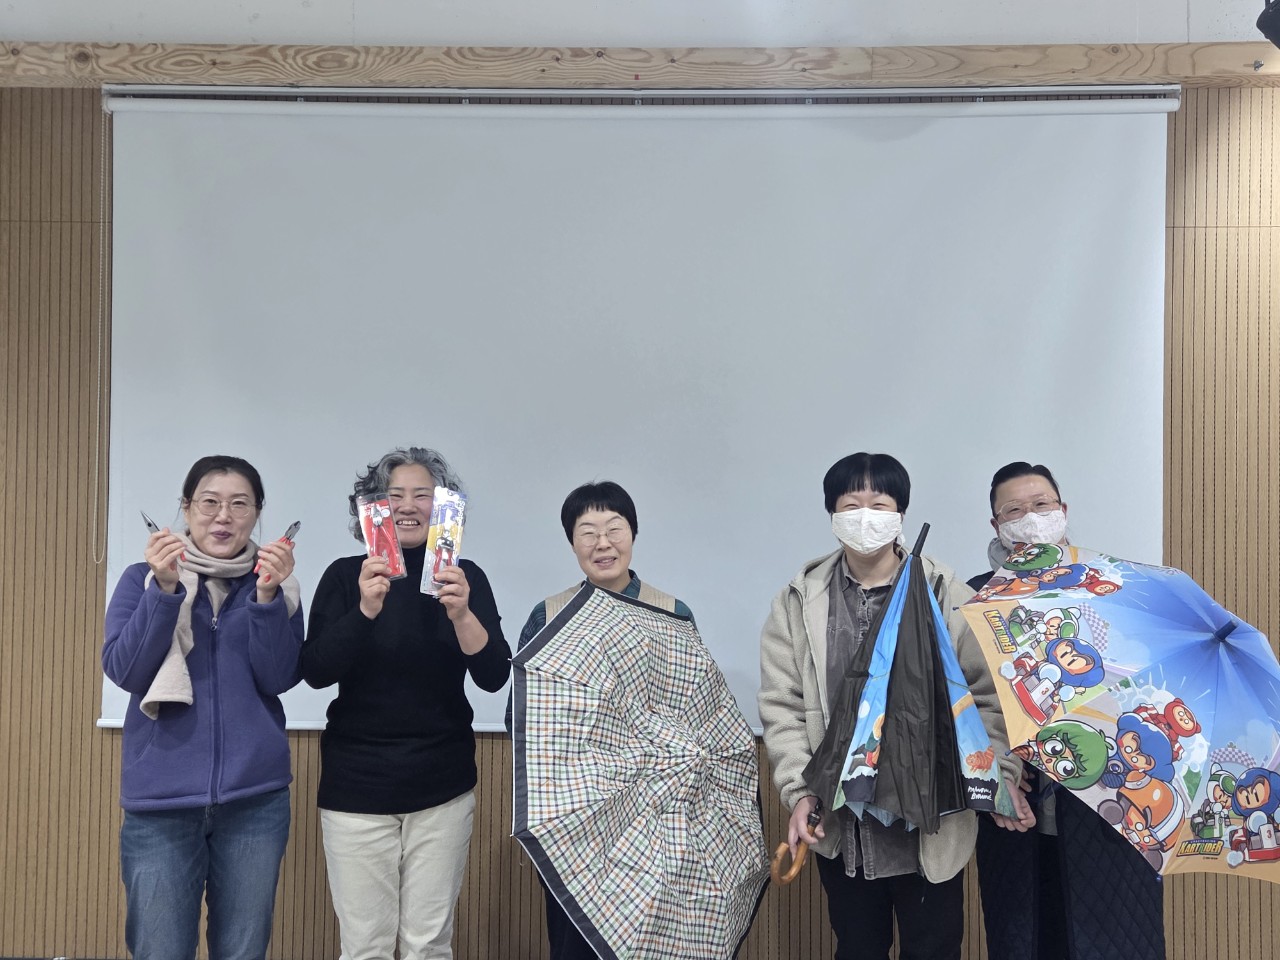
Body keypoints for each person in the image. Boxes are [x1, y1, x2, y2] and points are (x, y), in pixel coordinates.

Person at [758, 452, 1025, 960]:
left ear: (900, 513)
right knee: (858, 946)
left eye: (879, 505)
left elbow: (988, 695)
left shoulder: (945, 591)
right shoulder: (799, 600)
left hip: (933, 824)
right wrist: (799, 791)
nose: (865, 516)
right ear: (832, 513)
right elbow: (782, 706)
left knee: (935, 948)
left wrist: (1000, 773)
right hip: (843, 827)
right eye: (851, 505)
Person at [302, 447, 510, 960]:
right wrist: (365, 610)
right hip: (357, 787)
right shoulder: (345, 576)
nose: (408, 506)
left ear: (443, 508)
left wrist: (462, 614)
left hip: (442, 786)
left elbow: (493, 677)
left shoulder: (464, 577)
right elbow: (316, 671)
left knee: (428, 944)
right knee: (366, 946)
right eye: (395, 495)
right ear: (373, 507)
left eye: (423, 495)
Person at [102, 455, 303, 960]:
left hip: (254, 802)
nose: (223, 517)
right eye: (209, 502)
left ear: (257, 513)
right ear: (186, 508)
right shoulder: (141, 580)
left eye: (240, 504)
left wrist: (266, 597)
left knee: (243, 952)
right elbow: (126, 671)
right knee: (160, 951)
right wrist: (165, 590)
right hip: (161, 805)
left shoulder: (275, 586)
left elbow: (279, 676)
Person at [971, 461, 1164, 960]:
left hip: (1110, 815)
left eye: (1041, 505)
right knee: (1029, 938)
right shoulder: (974, 600)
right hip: (1017, 813)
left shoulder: (1110, 589)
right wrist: (996, 776)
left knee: (1114, 942)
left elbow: (1148, 691)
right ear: (996, 524)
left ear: (1063, 510)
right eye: (1014, 511)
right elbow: (961, 704)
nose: (1030, 518)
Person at [511, 481, 692, 960]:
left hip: (653, 815)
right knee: (575, 940)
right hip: (575, 815)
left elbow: (693, 713)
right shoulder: (549, 615)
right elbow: (521, 720)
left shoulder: (672, 613)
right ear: (572, 542)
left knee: (652, 940)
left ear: (633, 534)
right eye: (587, 532)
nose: (602, 543)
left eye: (615, 529)